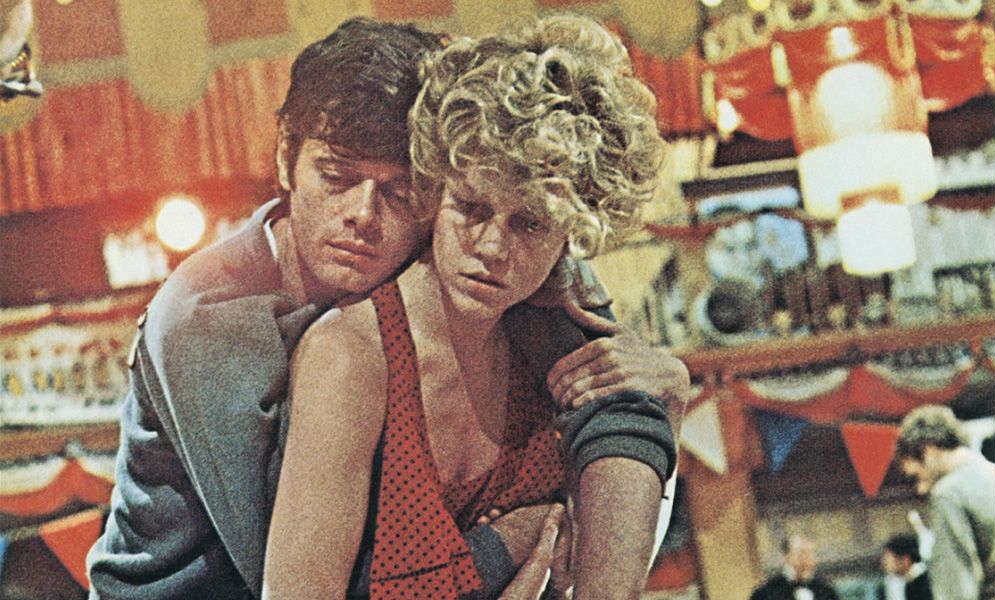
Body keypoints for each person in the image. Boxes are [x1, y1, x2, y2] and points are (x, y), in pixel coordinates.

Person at [87, 16, 687, 600]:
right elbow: (296, 570)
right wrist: (509, 543)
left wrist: (659, 387)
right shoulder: (207, 318)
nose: (362, 215)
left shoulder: (492, 243)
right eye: (336, 177)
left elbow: (618, 410)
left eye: (397, 191)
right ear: (285, 160)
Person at [264, 15, 673, 599]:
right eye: (472, 208)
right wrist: (508, 545)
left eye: (529, 223)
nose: (492, 248)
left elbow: (623, 519)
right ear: (432, 191)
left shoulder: (549, 328)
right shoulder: (350, 357)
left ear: (571, 234)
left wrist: (669, 396)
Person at [897, 404, 995, 600]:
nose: (921, 489)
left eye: (917, 476)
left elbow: (956, 589)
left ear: (927, 450)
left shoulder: (948, 493)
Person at [749, 534, 840, 600]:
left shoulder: (826, 591)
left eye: (811, 554)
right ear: (787, 557)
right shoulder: (766, 593)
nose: (807, 560)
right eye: (802, 554)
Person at [878, 533, 932, 600]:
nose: (884, 563)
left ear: (906, 560)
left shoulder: (923, 584)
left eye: (887, 559)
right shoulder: (902, 583)